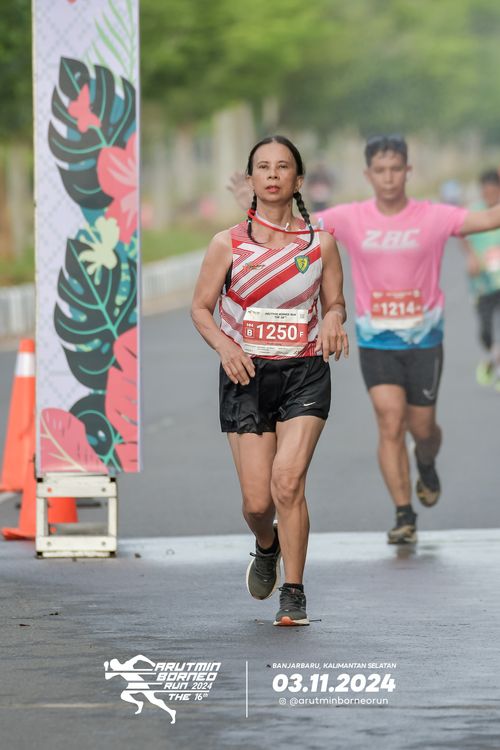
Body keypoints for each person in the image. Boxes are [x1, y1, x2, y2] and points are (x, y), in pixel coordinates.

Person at [230, 134, 500, 546]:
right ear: (368, 174)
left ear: (408, 171)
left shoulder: (434, 216)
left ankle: (426, 460)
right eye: (380, 170)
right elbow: (292, 227)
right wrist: (251, 204)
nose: (388, 177)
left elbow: (489, 219)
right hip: (377, 341)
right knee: (390, 420)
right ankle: (404, 514)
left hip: (424, 341)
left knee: (422, 428)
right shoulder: (350, 218)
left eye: (396, 169)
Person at [191, 135, 349, 626]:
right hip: (246, 375)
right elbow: (200, 308)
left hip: (304, 372)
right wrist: (226, 347)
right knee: (258, 503)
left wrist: (333, 318)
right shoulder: (227, 244)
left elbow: (335, 302)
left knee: (288, 482)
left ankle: (294, 592)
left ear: (298, 180)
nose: (273, 174)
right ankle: (266, 544)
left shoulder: (320, 244)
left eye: (283, 167)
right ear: (252, 179)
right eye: (263, 167)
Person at [462, 169, 500, 390]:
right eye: (486, 192)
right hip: (483, 284)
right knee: (486, 332)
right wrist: (471, 256)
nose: (489, 196)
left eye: (493, 192)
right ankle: (494, 357)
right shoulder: (473, 213)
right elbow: (461, 234)